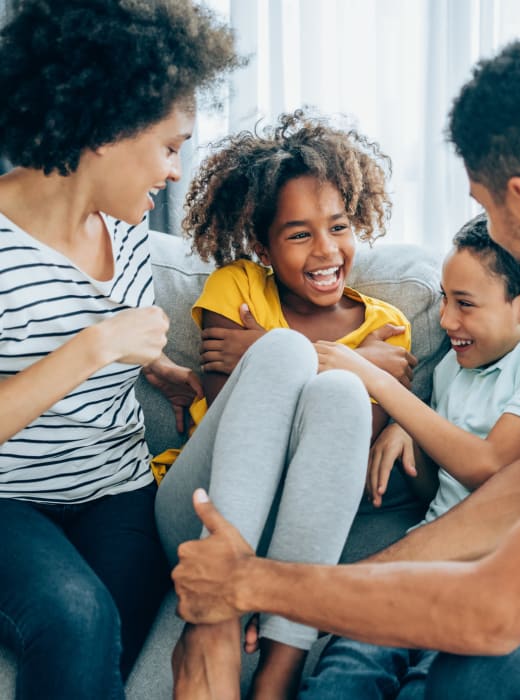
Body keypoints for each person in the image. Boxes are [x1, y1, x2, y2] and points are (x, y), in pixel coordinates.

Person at [171, 33, 520, 699]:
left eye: (485, 210)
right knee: (454, 673)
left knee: (469, 683)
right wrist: (363, 584)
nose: (488, 232)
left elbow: (496, 608)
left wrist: (249, 582)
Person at [0, 1, 237, 699]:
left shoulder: (126, 231)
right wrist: (97, 347)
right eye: (169, 145)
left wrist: (157, 367)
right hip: (8, 500)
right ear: (106, 126)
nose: (175, 171)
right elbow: (86, 343)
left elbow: (82, 334)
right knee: (77, 617)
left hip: (118, 490)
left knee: (103, 643)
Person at [154, 111, 415, 700]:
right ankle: (214, 624)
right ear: (263, 246)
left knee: (342, 390)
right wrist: (341, 357)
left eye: (339, 226)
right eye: (299, 234)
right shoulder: (238, 286)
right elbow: (235, 418)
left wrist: (308, 356)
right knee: (295, 360)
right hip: (203, 511)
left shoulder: (389, 325)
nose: (326, 250)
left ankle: (282, 664)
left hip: (297, 533)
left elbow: (340, 455)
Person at [299, 213, 520, 699]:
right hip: (423, 558)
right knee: (346, 669)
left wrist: (383, 386)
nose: (447, 321)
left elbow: (491, 469)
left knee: (432, 684)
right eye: (445, 300)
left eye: (465, 304)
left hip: (492, 576)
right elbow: (436, 491)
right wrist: (412, 437)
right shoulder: (453, 367)